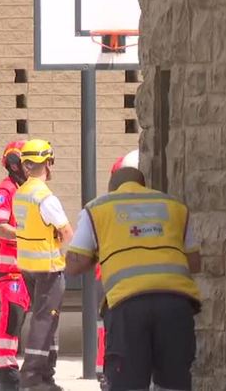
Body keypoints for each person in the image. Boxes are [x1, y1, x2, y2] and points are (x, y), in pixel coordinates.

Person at [65, 167, 201, 391]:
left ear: (112, 188)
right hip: (176, 304)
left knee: (127, 383)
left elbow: (73, 264)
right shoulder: (175, 207)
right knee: (174, 382)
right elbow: (194, 262)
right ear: (144, 184)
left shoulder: (99, 208)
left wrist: (100, 255)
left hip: (128, 305)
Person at [12, 139, 73, 391]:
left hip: (28, 264)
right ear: (48, 163)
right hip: (48, 267)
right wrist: (60, 239)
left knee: (47, 319)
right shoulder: (45, 197)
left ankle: (46, 375)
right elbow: (67, 233)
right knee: (44, 321)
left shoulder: (21, 193)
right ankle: (33, 378)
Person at [95, 149, 139, 391]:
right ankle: (109, 374)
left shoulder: (105, 207)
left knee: (108, 327)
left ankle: (107, 374)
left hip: (108, 274)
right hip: (117, 278)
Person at [0, 140, 32, 391]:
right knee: (11, 320)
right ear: (15, 163)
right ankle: (6, 374)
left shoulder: (26, 190)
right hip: (12, 273)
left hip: (29, 270)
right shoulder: (5, 191)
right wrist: (28, 235)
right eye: (26, 162)